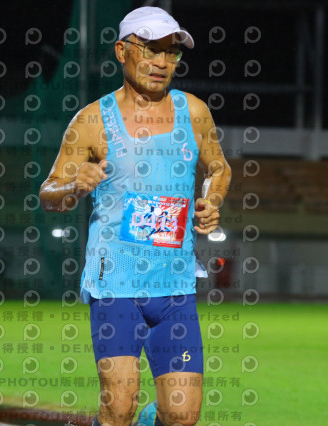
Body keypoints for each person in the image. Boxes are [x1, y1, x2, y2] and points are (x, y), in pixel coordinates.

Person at [39, 6, 231, 426]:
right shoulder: (92, 120)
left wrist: (210, 200)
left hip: (174, 285)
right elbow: (49, 193)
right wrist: (74, 187)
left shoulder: (194, 111)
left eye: (171, 52)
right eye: (150, 49)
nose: (162, 62)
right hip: (116, 285)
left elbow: (219, 168)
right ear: (121, 51)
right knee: (119, 407)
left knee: (181, 415)